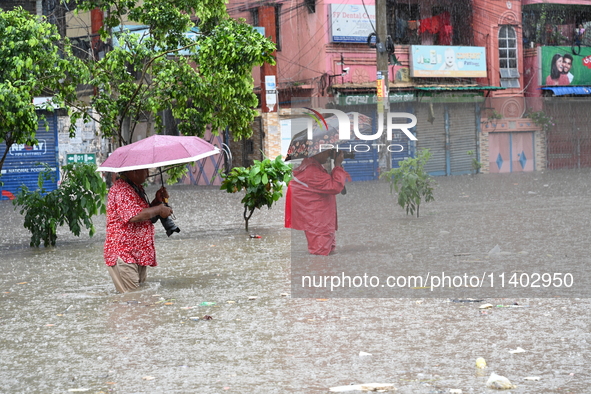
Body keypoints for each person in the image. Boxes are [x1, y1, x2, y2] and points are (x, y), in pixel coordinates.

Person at [103, 168, 173, 293]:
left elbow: (143, 214)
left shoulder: (134, 188)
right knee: (132, 298)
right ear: (133, 171)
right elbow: (133, 216)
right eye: (145, 170)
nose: (148, 174)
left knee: (139, 297)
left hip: (137, 254)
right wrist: (159, 209)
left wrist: (157, 202)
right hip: (124, 254)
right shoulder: (122, 190)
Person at [285, 149, 350, 256]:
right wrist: (337, 165)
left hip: (321, 219)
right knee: (320, 256)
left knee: (328, 252)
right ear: (316, 152)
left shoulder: (313, 166)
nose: (329, 155)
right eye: (326, 151)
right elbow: (335, 187)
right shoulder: (311, 171)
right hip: (318, 221)